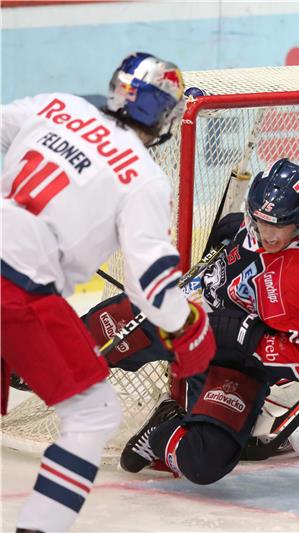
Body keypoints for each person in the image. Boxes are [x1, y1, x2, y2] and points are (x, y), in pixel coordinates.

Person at [0, 52, 216, 532]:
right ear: (162, 115)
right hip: (20, 290)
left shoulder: (58, 106)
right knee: (93, 413)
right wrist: (188, 327)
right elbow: (153, 288)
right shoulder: (141, 176)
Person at [114, 158, 299, 485]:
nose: (268, 233)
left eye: (279, 225)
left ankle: (162, 429)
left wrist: (246, 336)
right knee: (109, 329)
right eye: (260, 221)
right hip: (188, 319)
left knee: (203, 463)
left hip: (234, 360)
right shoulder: (243, 224)